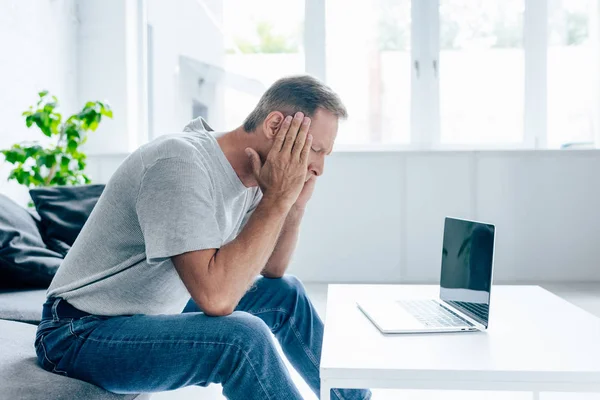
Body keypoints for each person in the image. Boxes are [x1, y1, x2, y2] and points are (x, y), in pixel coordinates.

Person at [36, 75, 371, 400]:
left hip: (152, 310)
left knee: (286, 294)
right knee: (241, 339)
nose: (319, 168)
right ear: (274, 127)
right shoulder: (179, 162)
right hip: (78, 332)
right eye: (315, 150)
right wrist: (276, 199)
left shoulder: (257, 176)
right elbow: (216, 298)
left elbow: (272, 269)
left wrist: (293, 206)